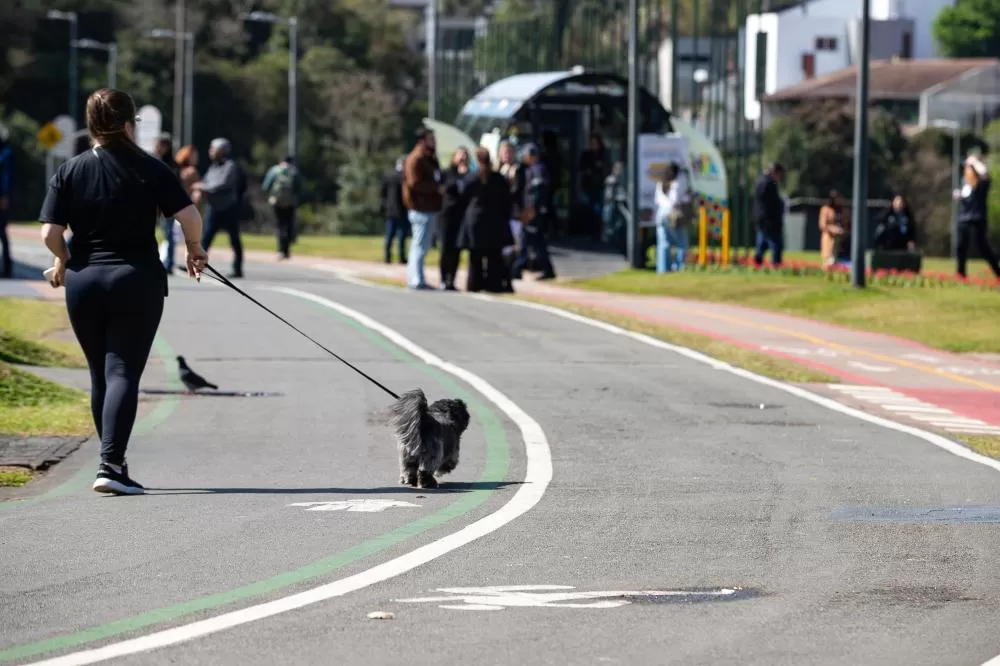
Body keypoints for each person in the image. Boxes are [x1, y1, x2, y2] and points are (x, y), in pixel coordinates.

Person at [37, 88, 208, 495]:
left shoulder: (70, 169)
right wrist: (196, 249)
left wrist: (62, 260)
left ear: (92, 124)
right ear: (131, 123)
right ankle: (111, 465)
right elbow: (189, 215)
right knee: (122, 372)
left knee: (102, 374)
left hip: (84, 281)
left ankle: (113, 461)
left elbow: (49, 232)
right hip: (136, 279)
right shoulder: (150, 168)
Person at [459, 147, 514, 293]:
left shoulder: (472, 178)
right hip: (495, 220)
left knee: (475, 257)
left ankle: (474, 284)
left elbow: (462, 195)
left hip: (475, 220)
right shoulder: (498, 178)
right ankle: (493, 284)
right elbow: (507, 199)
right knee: (494, 255)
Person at [195, 137, 244, 278]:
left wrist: (202, 187)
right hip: (214, 207)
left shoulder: (230, 166)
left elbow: (222, 184)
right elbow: (205, 181)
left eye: (213, 148)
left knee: (234, 239)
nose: (210, 151)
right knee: (206, 238)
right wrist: (200, 187)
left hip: (228, 208)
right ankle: (197, 265)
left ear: (222, 151)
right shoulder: (213, 167)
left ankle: (237, 268)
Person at [402, 126, 443, 290]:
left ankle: (416, 277)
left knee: (421, 245)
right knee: (420, 245)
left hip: (429, 207)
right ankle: (416, 279)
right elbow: (414, 183)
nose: (434, 142)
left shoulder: (428, 158)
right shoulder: (416, 158)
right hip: (421, 208)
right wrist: (435, 188)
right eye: (430, 139)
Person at [512, 143, 556, 281]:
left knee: (527, 240)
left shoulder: (538, 170)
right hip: (532, 211)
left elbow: (537, 193)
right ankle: (547, 269)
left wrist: (531, 210)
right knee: (537, 242)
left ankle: (517, 269)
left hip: (534, 212)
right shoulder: (531, 169)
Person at [954, 155, 1000, 279]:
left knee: (982, 247)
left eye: (970, 168)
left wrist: (975, 162)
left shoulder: (982, 184)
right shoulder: (965, 184)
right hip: (963, 218)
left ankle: (998, 272)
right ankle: (961, 274)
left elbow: (985, 174)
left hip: (977, 219)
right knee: (960, 246)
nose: (967, 170)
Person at [438, 147, 471, 291]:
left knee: (457, 249)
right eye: (459, 155)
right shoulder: (446, 173)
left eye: (465, 155)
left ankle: (452, 279)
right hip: (446, 215)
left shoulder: (470, 175)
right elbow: (442, 188)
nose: (462, 158)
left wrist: (465, 174)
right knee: (446, 248)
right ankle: (444, 279)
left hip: (461, 215)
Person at [654, 163, 692, 273]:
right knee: (682, 242)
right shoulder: (677, 183)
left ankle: (662, 269)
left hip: (660, 214)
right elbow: (676, 200)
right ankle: (680, 267)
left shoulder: (660, 183)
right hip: (673, 214)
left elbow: (657, 200)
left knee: (663, 243)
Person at [262, 155, 301, 261]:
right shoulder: (293, 172)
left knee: (279, 226)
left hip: (277, 202)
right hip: (290, 203)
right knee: (288, 226)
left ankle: (280, 250)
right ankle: (287, 251)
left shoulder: (274, 170)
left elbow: (266, 186)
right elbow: (298, 188)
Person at [498, 140, 524, 293]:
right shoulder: (498, 169)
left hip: (513, 212)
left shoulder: (517, 170)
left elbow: (516, 192)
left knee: (513, 244)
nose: (507, 155)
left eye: (509, 152)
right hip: (500, 213)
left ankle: (511, 271)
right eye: (504, 152)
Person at [153, 134, 181, 273]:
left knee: (169, 233)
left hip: (167, 204)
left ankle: (169, 263)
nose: (157, 147)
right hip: (153, 202)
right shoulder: (153, 160)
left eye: (159, 145)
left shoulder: (171, 165)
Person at [752, 162, 786, 267]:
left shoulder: (760, 181)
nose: (779, 178)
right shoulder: (768, 183)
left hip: (761, 218)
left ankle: (758, 262)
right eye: (779, 175)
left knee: (762, 241)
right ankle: (775, 264)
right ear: (774, 172)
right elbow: (771, 203)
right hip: (769, 219)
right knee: (775, 242)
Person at [579, 133, 609, 238]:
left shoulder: (603, 155)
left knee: (598, 208)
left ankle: (597, 232)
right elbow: (582, 168)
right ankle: (591, 231)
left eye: (595, 143)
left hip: (600, 186)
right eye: (592, 143)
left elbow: (606, 169)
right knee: (591, 208)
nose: (593, 145)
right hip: (588, 185)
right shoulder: (586, 155)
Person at [380, 156, 408, 265]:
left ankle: (387, 257)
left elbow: (383, 193)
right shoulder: (405, 177)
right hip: (402, 210)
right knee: (401, 236)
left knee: (390, 235)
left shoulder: (388, 176)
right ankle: (401, 257)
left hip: (390, 210)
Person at [818, 190, 851, 267]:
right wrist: (833, 229)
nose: (837, 200)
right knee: (829, 260)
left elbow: (849, 224)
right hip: (830, 238)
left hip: (843, 239)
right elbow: (822, 225)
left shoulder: (845, 210)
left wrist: (844, 231)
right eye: (835, 198)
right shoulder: (826, 209)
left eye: (839, 198)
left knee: (841, 261)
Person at [0, 122, 14, 278]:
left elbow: (6, 177)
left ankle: (7, 268)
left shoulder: (6, 153)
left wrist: (4, 196)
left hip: (1, 199)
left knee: (2, 233)